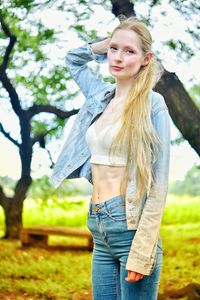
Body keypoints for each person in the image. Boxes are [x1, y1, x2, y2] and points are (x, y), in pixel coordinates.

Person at [50, 16, 170, 300]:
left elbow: (159, 182)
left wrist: (142, 251)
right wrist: (110, 41)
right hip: (98, 225)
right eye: (114, 49)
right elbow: (73, 60)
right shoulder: (100, 95)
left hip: (130, 228)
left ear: (146, 59)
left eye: (129, 51)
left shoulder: (153, 104)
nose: (117, 57)